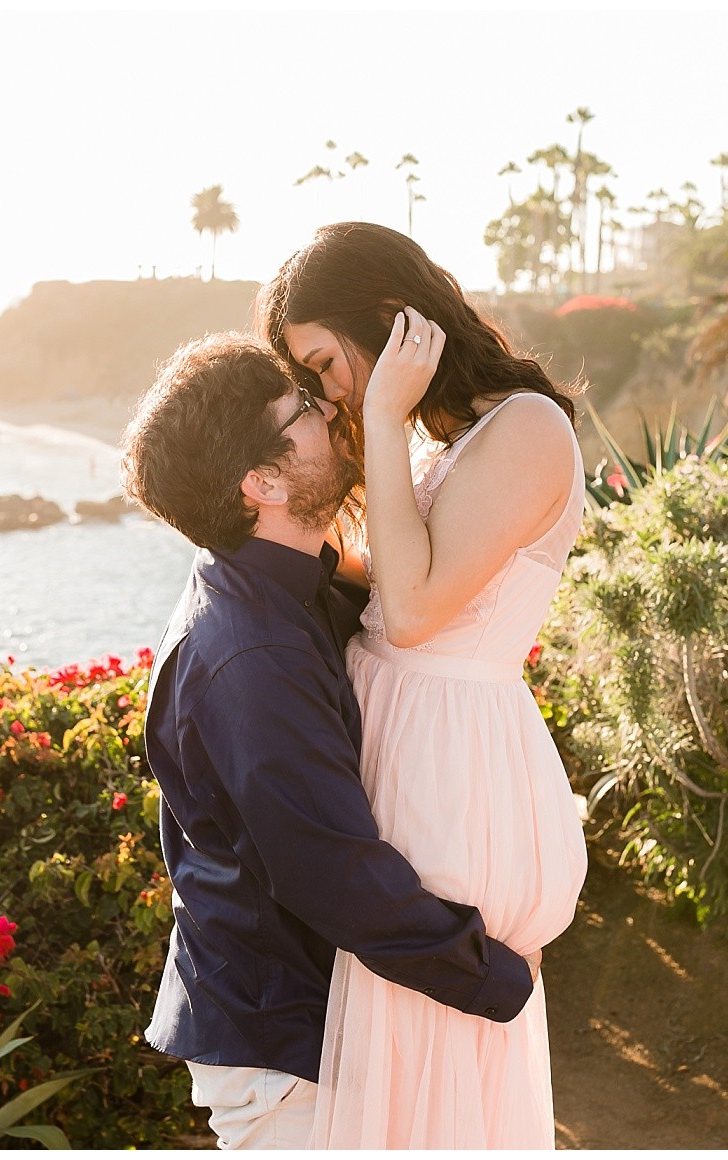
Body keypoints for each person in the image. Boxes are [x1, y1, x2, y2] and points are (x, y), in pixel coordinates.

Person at [120, 334, 536, 1148]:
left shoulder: (293, 584)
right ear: (262, 481)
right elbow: (331, 873)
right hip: (285, 1057)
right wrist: (497, 974)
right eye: (303, 410)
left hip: (310, 1022)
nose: (331, 412)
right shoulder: (253, 660)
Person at [260, 222, 589, 1148]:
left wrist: (381, 416)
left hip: (449, 763)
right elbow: (399, 577)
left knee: (426, 1026)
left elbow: (414, 613)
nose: (327, 389)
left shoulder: (525, 427)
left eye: (327, 362)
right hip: (410, 738)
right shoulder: (459, 437)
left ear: (386, 321)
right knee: (394, 1037)